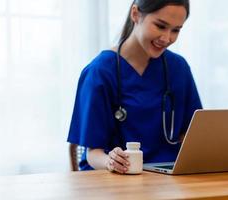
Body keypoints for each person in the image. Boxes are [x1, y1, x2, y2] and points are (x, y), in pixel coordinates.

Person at [67, 0, 202, 173]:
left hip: (168, 182)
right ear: (135, 14)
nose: (167, 38)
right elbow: (93, 154)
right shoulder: (99, 72)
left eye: (176, 30)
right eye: (160, 26)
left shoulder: (178, 68)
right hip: (116, 180)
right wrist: (111, 161)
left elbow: (191, 134)